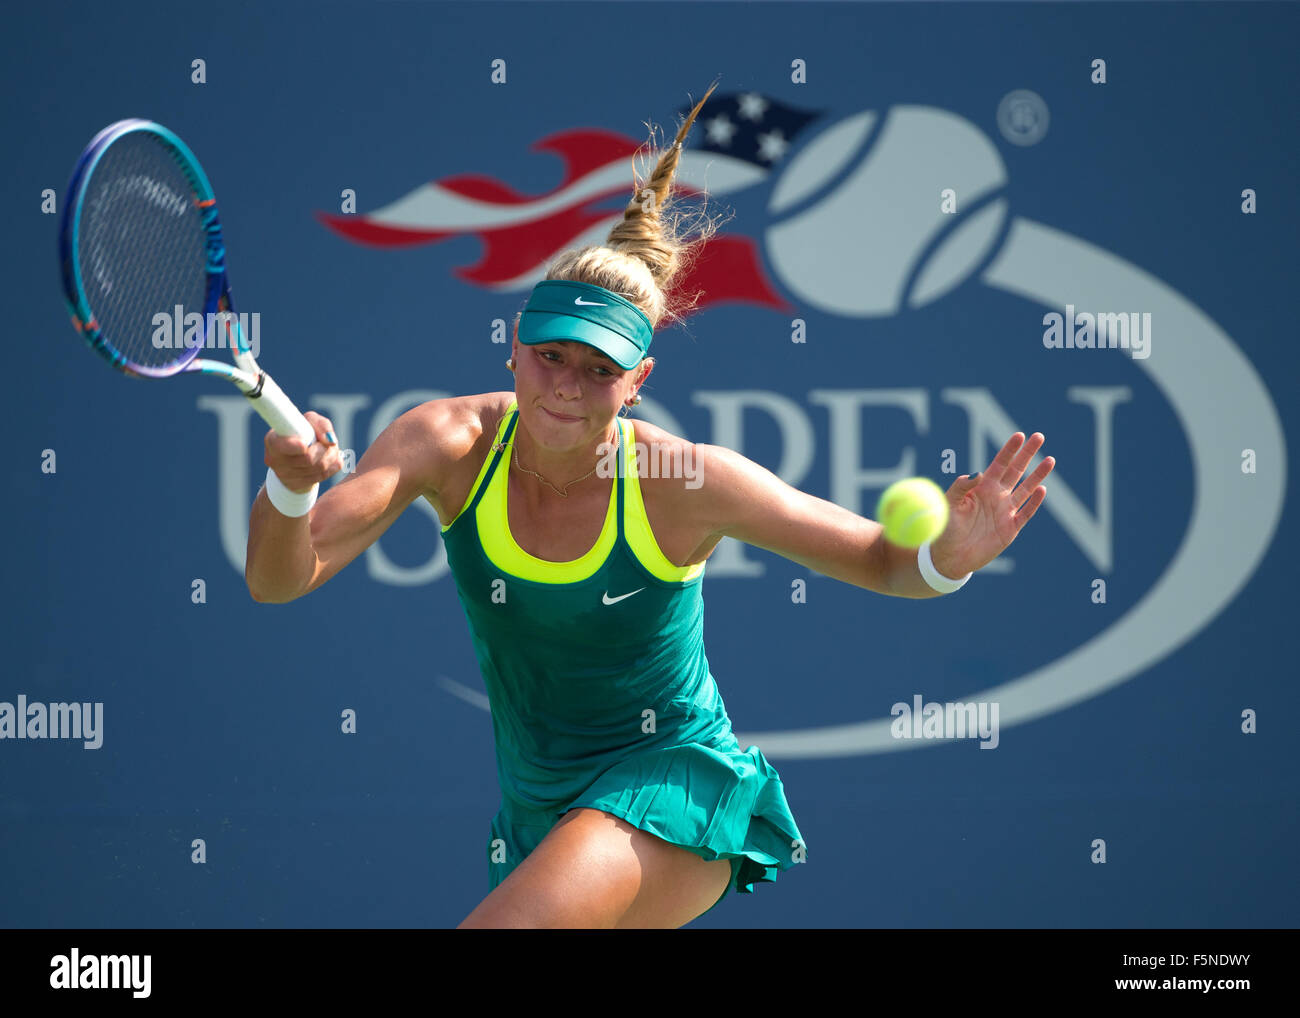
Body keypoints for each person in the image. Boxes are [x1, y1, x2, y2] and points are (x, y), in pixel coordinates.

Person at [243, 85, 1055, 928]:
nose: (567, 386)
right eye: (552, 356)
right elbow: (279, 579)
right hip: (534, 811)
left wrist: (946, 557)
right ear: (514, 350)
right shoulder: (442, 443)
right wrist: (292, 488)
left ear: (639, 384)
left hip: (673, 785)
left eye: (600, 370)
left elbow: (883, 560)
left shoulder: (686, 482)